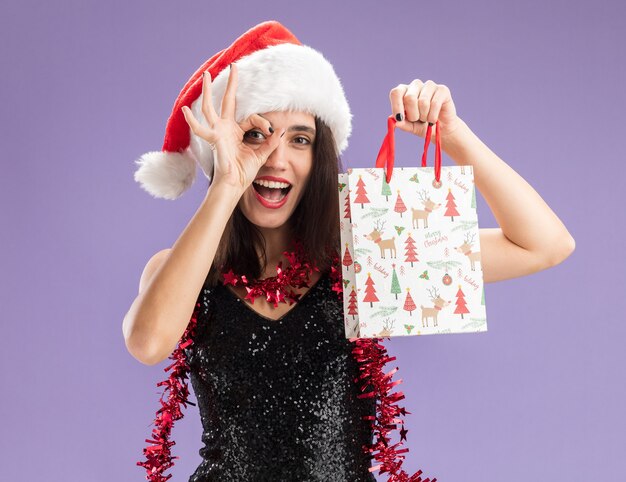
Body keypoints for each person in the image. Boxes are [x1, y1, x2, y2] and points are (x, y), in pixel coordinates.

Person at [122, 20, 575, 482]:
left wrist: (456, 137)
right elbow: (148, 342)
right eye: (255, 134)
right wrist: (227, 183)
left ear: (319, 158)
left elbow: (544, 245)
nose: (275, 158)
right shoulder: (181, 270)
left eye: (300, 138)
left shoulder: (364, 256)